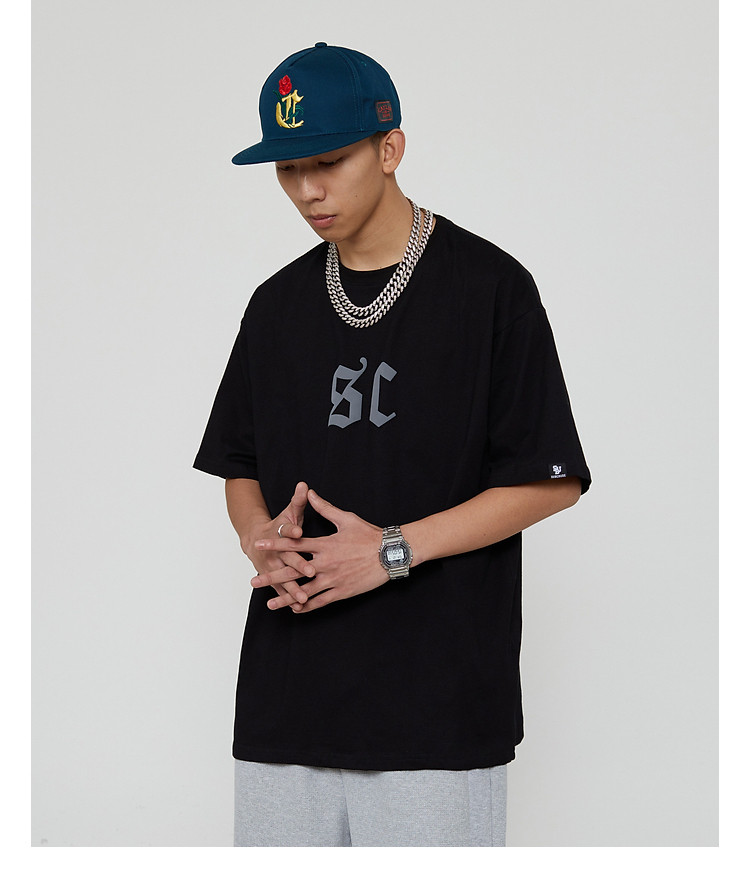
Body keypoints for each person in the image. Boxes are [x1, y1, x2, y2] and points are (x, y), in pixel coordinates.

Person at [193, 42, 591, 847]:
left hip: (434, 707)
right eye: (287, 169)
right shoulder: (275, 306)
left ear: (390, 148)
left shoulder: (490, 289)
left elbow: (550, 478)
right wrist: (256, 534)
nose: (307, 190)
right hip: (287, 699)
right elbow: (239, 462)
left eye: (328, 162)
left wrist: (391, 552)